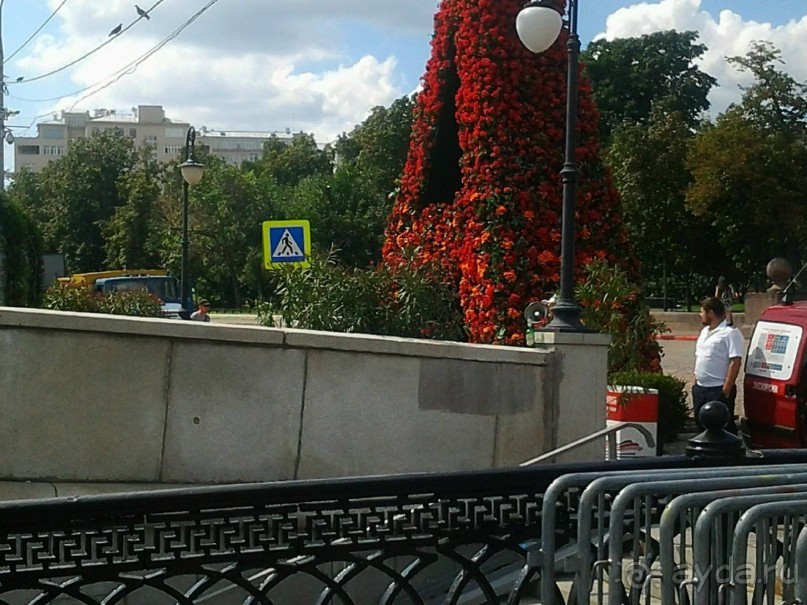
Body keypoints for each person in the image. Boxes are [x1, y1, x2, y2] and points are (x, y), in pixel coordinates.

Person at [692, 296, 744, 433]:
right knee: (701, 425)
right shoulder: (704, 332)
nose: (700, 315)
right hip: (701, 388)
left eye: (702, 312)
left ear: (710, 313)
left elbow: (735, 362)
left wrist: (725, 390)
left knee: (722, 429)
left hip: (717, 389)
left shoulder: (730, 333)